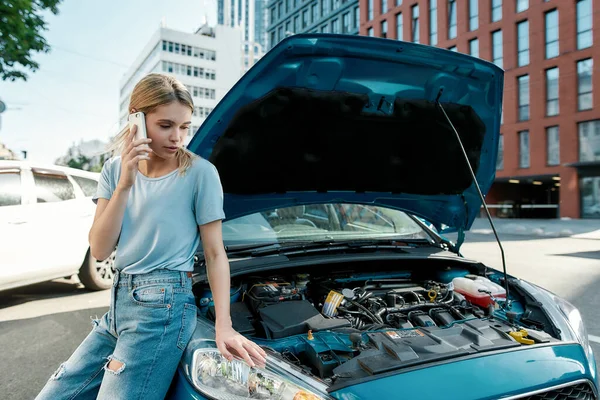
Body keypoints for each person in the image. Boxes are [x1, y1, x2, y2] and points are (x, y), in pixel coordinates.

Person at [36, 73, 266, 400]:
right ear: (136, 119)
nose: (177, 138)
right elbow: (100, 249)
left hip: (163, 306)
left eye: (184, 127)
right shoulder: (115, 170)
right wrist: (125, 184)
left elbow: (215, 254)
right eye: (165, 125)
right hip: (118, 305)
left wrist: (223, 325)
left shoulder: (200, 173)